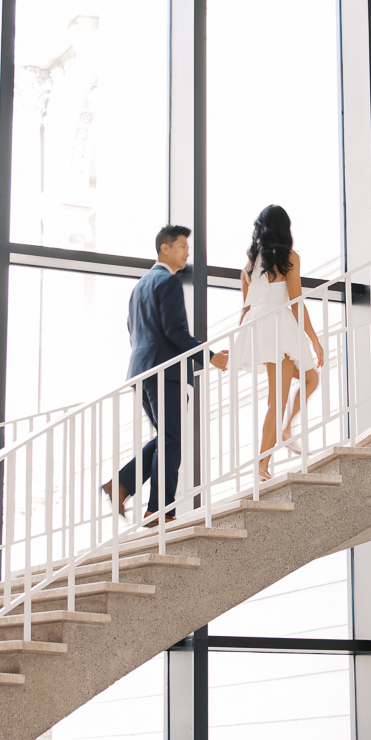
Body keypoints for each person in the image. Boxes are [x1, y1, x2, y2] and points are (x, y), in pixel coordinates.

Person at [210, 205, 324, 479]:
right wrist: (315, 341)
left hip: (259, 329)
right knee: (278, 398)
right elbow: (297, 304)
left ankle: (285, 431)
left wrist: (239, 344)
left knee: (310, 379)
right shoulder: (289, 259)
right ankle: (262, 463)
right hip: (276, 328)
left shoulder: (249, 265)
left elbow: (247, 309)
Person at [107, 224, 203, 520]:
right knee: (172, 439)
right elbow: (176, 332)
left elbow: (133, 333)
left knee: (167, 437)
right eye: (183, 246)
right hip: (167, 372)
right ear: (165, 248)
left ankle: (122, 484)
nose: (188, 251)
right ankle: (159, 508)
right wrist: (209, 356)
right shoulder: (169, 282)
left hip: (141, 372)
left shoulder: (139, 287)